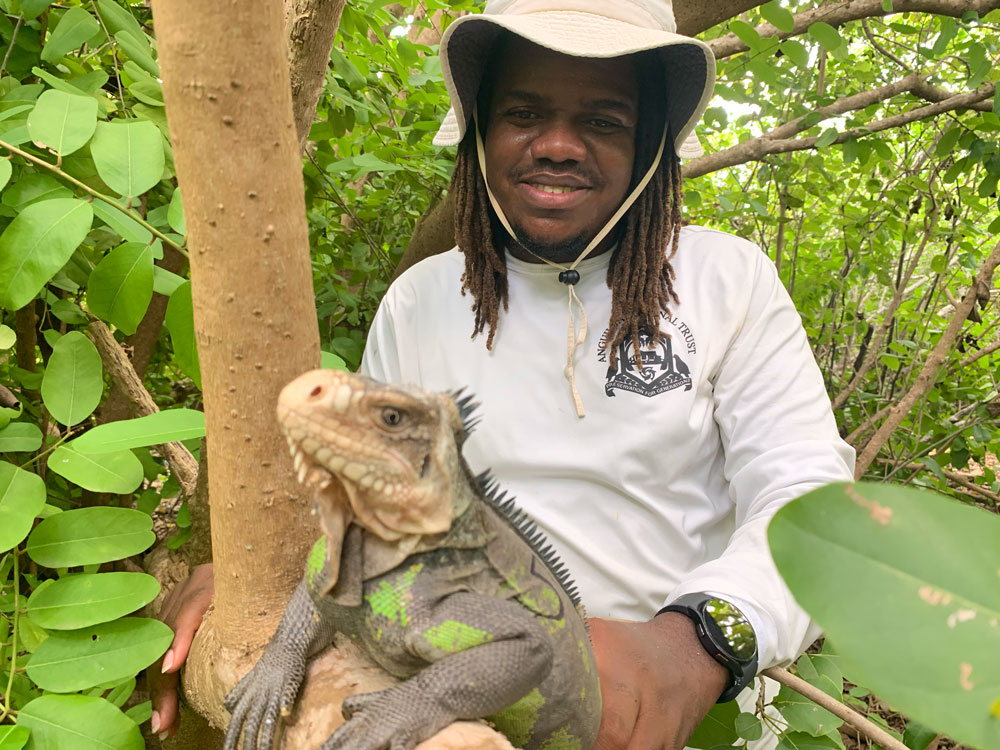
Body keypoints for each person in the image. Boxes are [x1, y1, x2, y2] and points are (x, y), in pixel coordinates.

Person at [150, 1, 856, 748]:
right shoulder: (422, 299)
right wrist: (249, 593)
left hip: (687, 716)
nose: (557, 144)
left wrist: (699, 643)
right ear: (480, 130)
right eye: (524, 112)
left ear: (650, 142)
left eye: (605, 120)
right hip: (451, 705)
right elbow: (368, 513)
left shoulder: (726, 280)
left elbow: (808, 494)